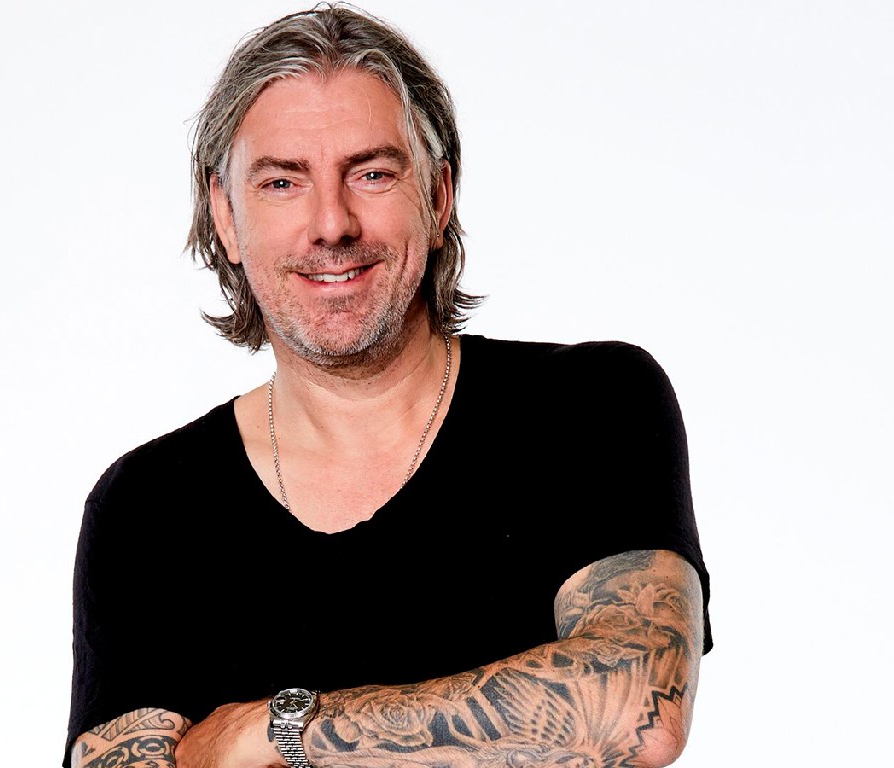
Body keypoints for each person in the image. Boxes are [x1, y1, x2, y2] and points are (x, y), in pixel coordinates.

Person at [63, 4, 713, 768]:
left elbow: (636, 713)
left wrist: (274, 730)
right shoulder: (147, 509)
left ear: (437, 197)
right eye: (282, 182)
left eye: (371, 174)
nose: (331, 224)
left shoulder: (589, 406)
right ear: (226, 218)